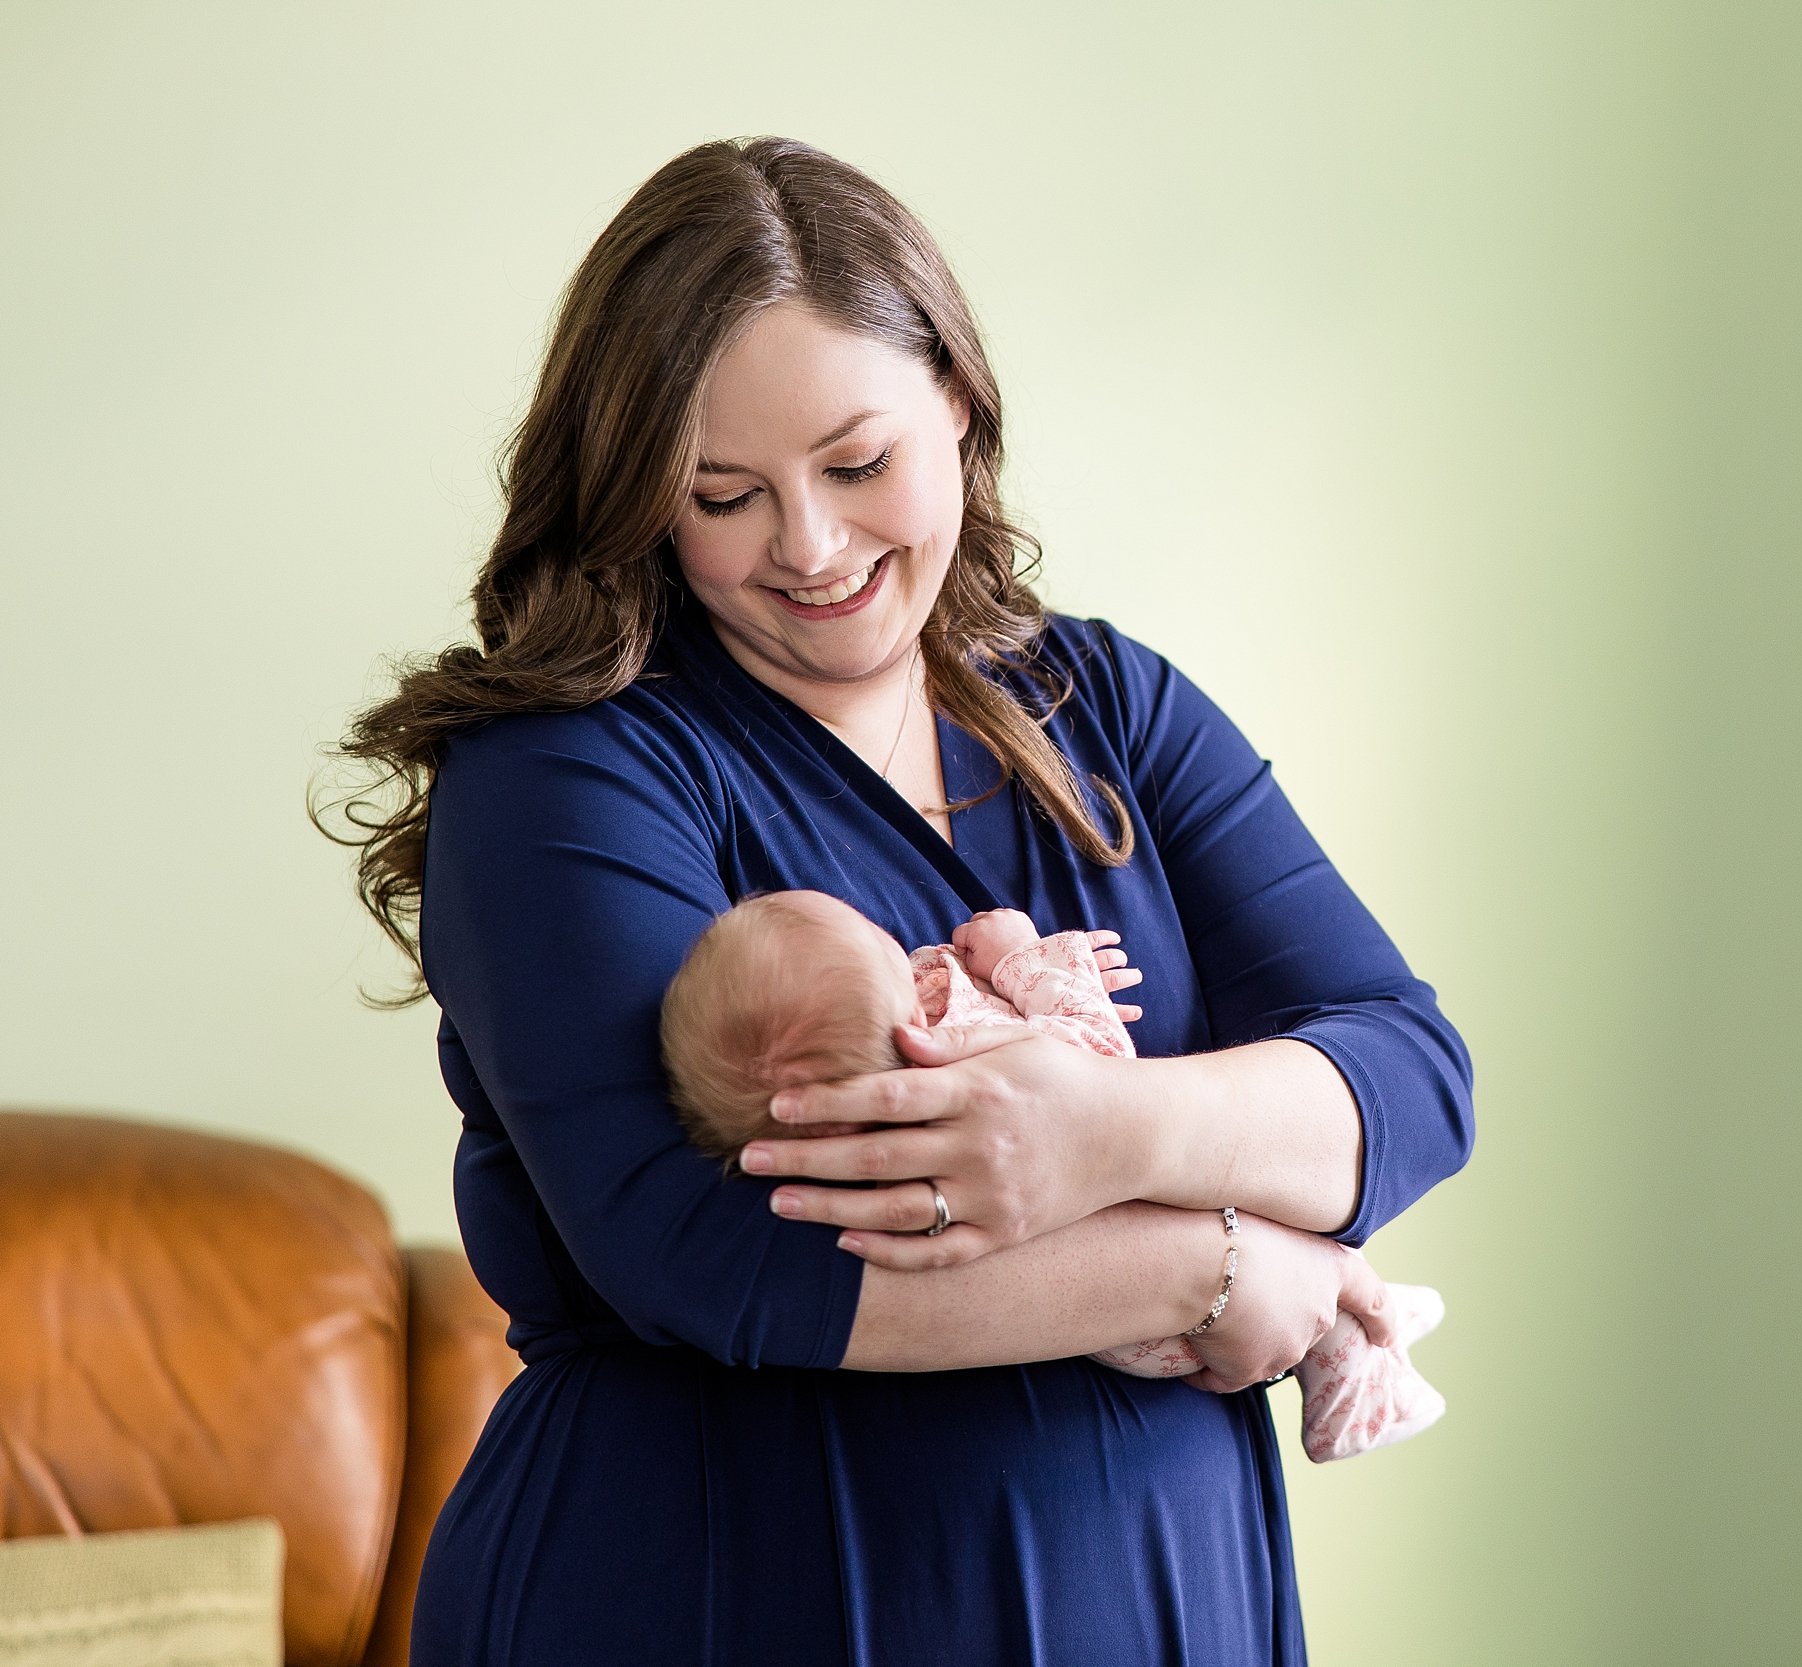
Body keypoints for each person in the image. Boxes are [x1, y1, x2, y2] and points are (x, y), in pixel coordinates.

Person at [330, 134, 1473, 1665]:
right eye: (721, 492)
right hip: (713, 1597)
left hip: (1163, 1591)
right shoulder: (565, 772)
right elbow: (701, 1248)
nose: (807, 546)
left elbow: (1405, 1071)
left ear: (957, 401)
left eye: (857, 464)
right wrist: (1222, 1264)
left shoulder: (1102, 706)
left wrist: (1100, 1137)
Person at [654, 890, 1451, 1463]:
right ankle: (1358, 1381)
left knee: (1289, 1230)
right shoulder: (957, 1053)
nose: (905, 945)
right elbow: (1099, 1068)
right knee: (1297, 1237)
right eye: (880, 944)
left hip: (1131, 1314)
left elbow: (1420, 1079)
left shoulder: (878, 1124)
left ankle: (1367, 1335)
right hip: (1144, 1326)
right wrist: (1026, 959)